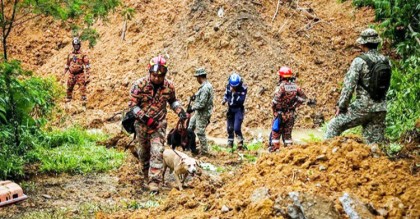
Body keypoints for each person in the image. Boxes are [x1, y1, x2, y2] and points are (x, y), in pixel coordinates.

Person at [129, 55, 187, 192]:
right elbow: (132, 105)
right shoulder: (139, 85)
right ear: (149, 72)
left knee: (157, 151)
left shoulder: (169, 86)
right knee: (144, 152)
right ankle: (145, 176)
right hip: (142, 125)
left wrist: (180, 111)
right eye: (154, 75)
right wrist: (145, 118)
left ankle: (154, 182)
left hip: (158, 125)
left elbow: (173, 101)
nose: (157, 78)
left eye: (160, 76)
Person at [325, 28, 391, 144]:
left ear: (363, 44)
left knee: (334, 126)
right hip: (381, 108)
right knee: (373, 145)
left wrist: (342, 107)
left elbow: (349, 87)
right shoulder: (386, 61)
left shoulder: (359, 61)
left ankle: (326, 156)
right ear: (377, 43)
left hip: (362, 108)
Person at [270, 66, 307, 152]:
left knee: (276, 134)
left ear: (281, 76)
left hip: (280, 114)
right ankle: (289, 153)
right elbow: (303, 98)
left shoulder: (281, 87)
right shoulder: (295, 86)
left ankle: (275, 152)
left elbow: (275, 101)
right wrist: (294, 105)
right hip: (291, 114)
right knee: (287, 135)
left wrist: (274, 110)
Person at [187, 68, 214, 155]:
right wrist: (195, 97)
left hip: (203, 113)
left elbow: (202, 104)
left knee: (200, 132)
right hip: (198, 113)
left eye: (197, 78)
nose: (197, 80)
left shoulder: (206, 87)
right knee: (190, 128)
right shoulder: (204, 87)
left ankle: (205, 152)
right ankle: (192, 148)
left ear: (199, 77)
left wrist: (192, 108)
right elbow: (200, 98)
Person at [222, 72, 247, 150]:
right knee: (230, 128)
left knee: (236, 127)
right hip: (230, 109)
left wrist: (235, 93)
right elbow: (226, 94)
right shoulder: (229, 85)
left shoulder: (243, 88)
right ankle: (230, 143)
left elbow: (241, 101)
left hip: (238, 109)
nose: (232, 87)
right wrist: (224, 100)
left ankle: (240, 142)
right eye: (232, 86)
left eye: (234, 86)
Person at [63, 37, 90, 105]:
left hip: (80, 74)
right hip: (71, 74)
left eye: (77, 45)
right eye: (75, 45)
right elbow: (67, 64)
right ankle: (68, 100)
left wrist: (87, 75)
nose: (76, 46)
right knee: (69, 87)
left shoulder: (83, 54)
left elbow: (87, 65)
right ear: (73, 45)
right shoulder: (70, 54)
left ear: (79, 45)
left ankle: (84, 101)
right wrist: (64, 72)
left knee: (82, 87)